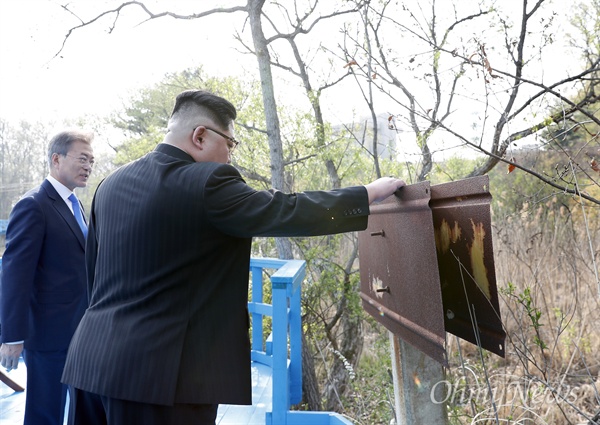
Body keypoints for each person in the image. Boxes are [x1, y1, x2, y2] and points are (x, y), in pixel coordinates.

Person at [61, 89, 404, 425]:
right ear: (200, 136)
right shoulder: (208, 182)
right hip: (162, 380)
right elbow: (285, 211)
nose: (230, 156)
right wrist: (366, 194)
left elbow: (94, 274)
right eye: (230, 143)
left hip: (91, 362)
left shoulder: (110, 184)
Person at [0, 130, 94, 425]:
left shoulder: (76, 204)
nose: (88, 166)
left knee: (80, 408)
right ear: (56, 159)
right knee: (45, 412)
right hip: (48, 333)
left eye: (91, 160)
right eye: (82, 158)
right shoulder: (33, 204)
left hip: (81, 329)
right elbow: (15, 275)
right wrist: (12, 336)